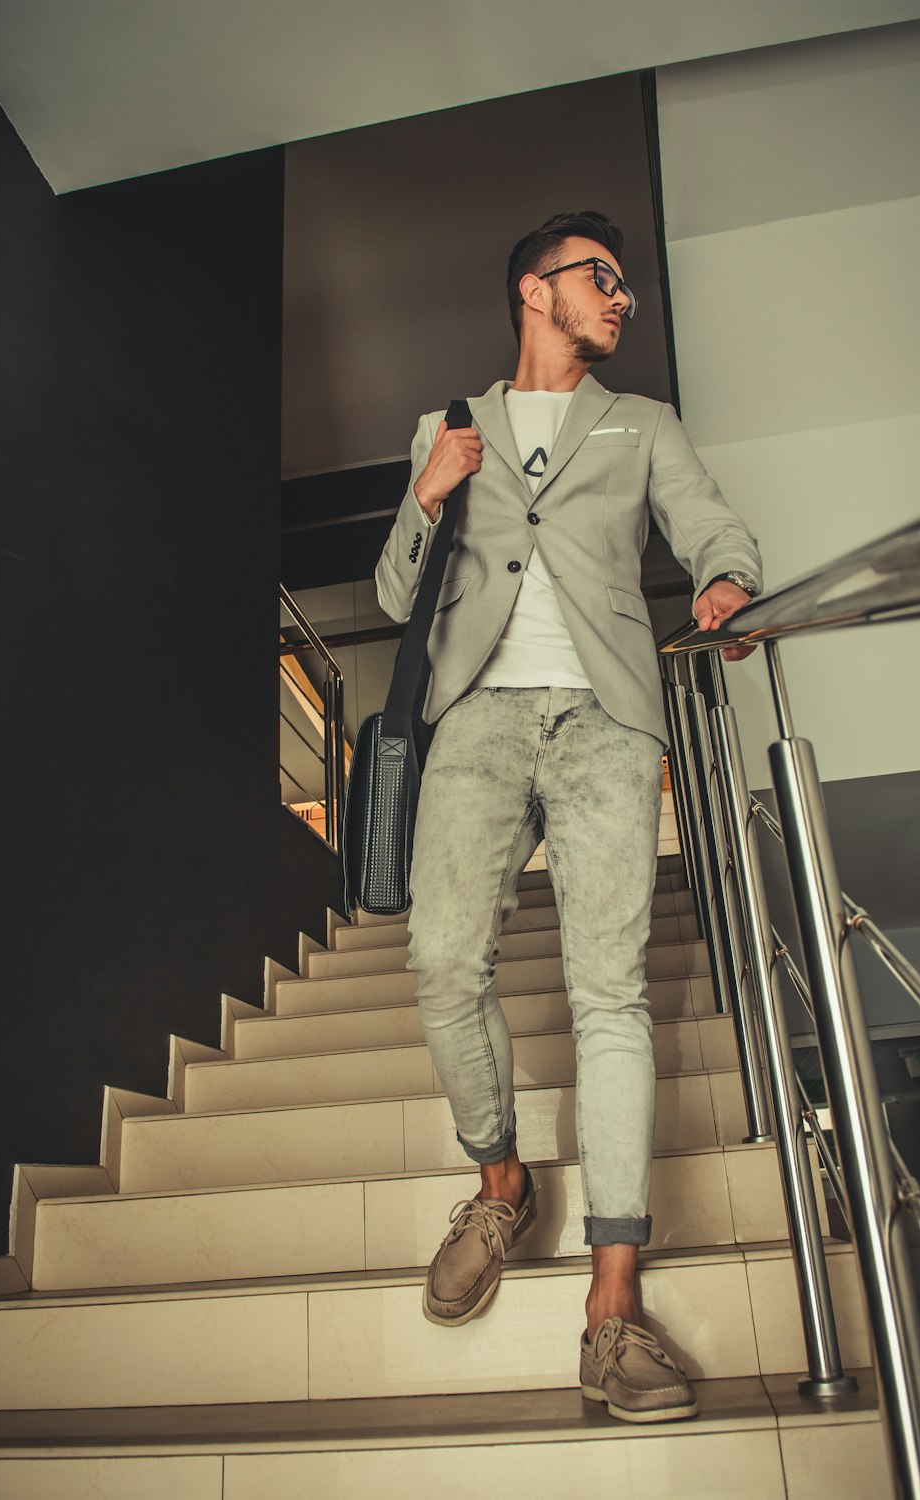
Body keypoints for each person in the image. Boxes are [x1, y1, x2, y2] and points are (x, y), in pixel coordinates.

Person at [375, 210, 761, 1423]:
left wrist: (722, 576)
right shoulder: (449, 428)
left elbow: (710, 522)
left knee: (609, 991)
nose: (621, 302)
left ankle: (611, 1307)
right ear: (535, 292)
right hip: (476, 717)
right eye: (603, 282)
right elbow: (396, 594)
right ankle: (501, 1180)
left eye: (626, 290)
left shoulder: (641, 426)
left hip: (603, 715)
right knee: (442, 957)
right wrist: (431, 496)